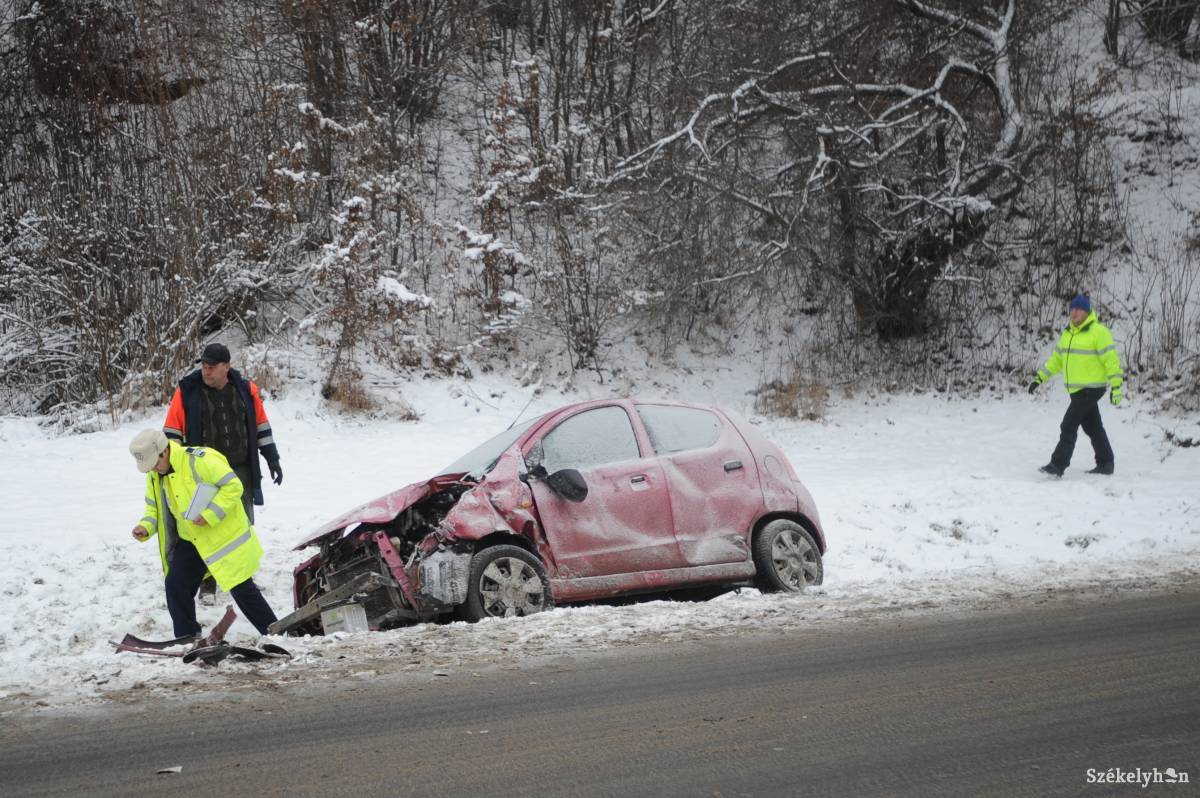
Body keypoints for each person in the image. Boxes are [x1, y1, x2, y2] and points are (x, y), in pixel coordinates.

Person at [129, 429, 278, 638]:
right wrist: (145, 527)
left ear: (164, 451)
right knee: (175, 583)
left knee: (242, 589)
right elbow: (154, 509)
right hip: (192, 539)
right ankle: (186, 638)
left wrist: (209, 514)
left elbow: (234, 486)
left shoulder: (200, 460)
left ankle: (276, 633)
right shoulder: (155, 475)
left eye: (154, 463)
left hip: (223, 539)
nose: (153, 469)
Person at [164, 343, 282, 602]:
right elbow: (171, 436)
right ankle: (207, 580)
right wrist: (169, 469)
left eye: (212, 367)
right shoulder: (186, 393)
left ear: (226, 367)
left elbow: (261, 427)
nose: (206, 371)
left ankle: (243, 575)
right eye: (203, 366)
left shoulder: (246, 390)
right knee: (205, 526)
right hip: (203, 476)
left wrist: (272, 459)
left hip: (241, 471)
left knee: (241, 526)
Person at [1028, 294, 1124, 477]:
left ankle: (1058, 465)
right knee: (1093, 426)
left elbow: (1111, 362)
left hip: (1091, 389)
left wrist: (1116, 386)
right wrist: (1039, 379)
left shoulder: (1099, 332)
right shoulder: (1068, 334)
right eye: (1072, 309)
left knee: (1068, 424)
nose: (1074, 312)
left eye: (1078, 309)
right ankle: (1106, 462)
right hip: (1077, 390)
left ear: (1087, 312)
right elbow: (1056, 360)